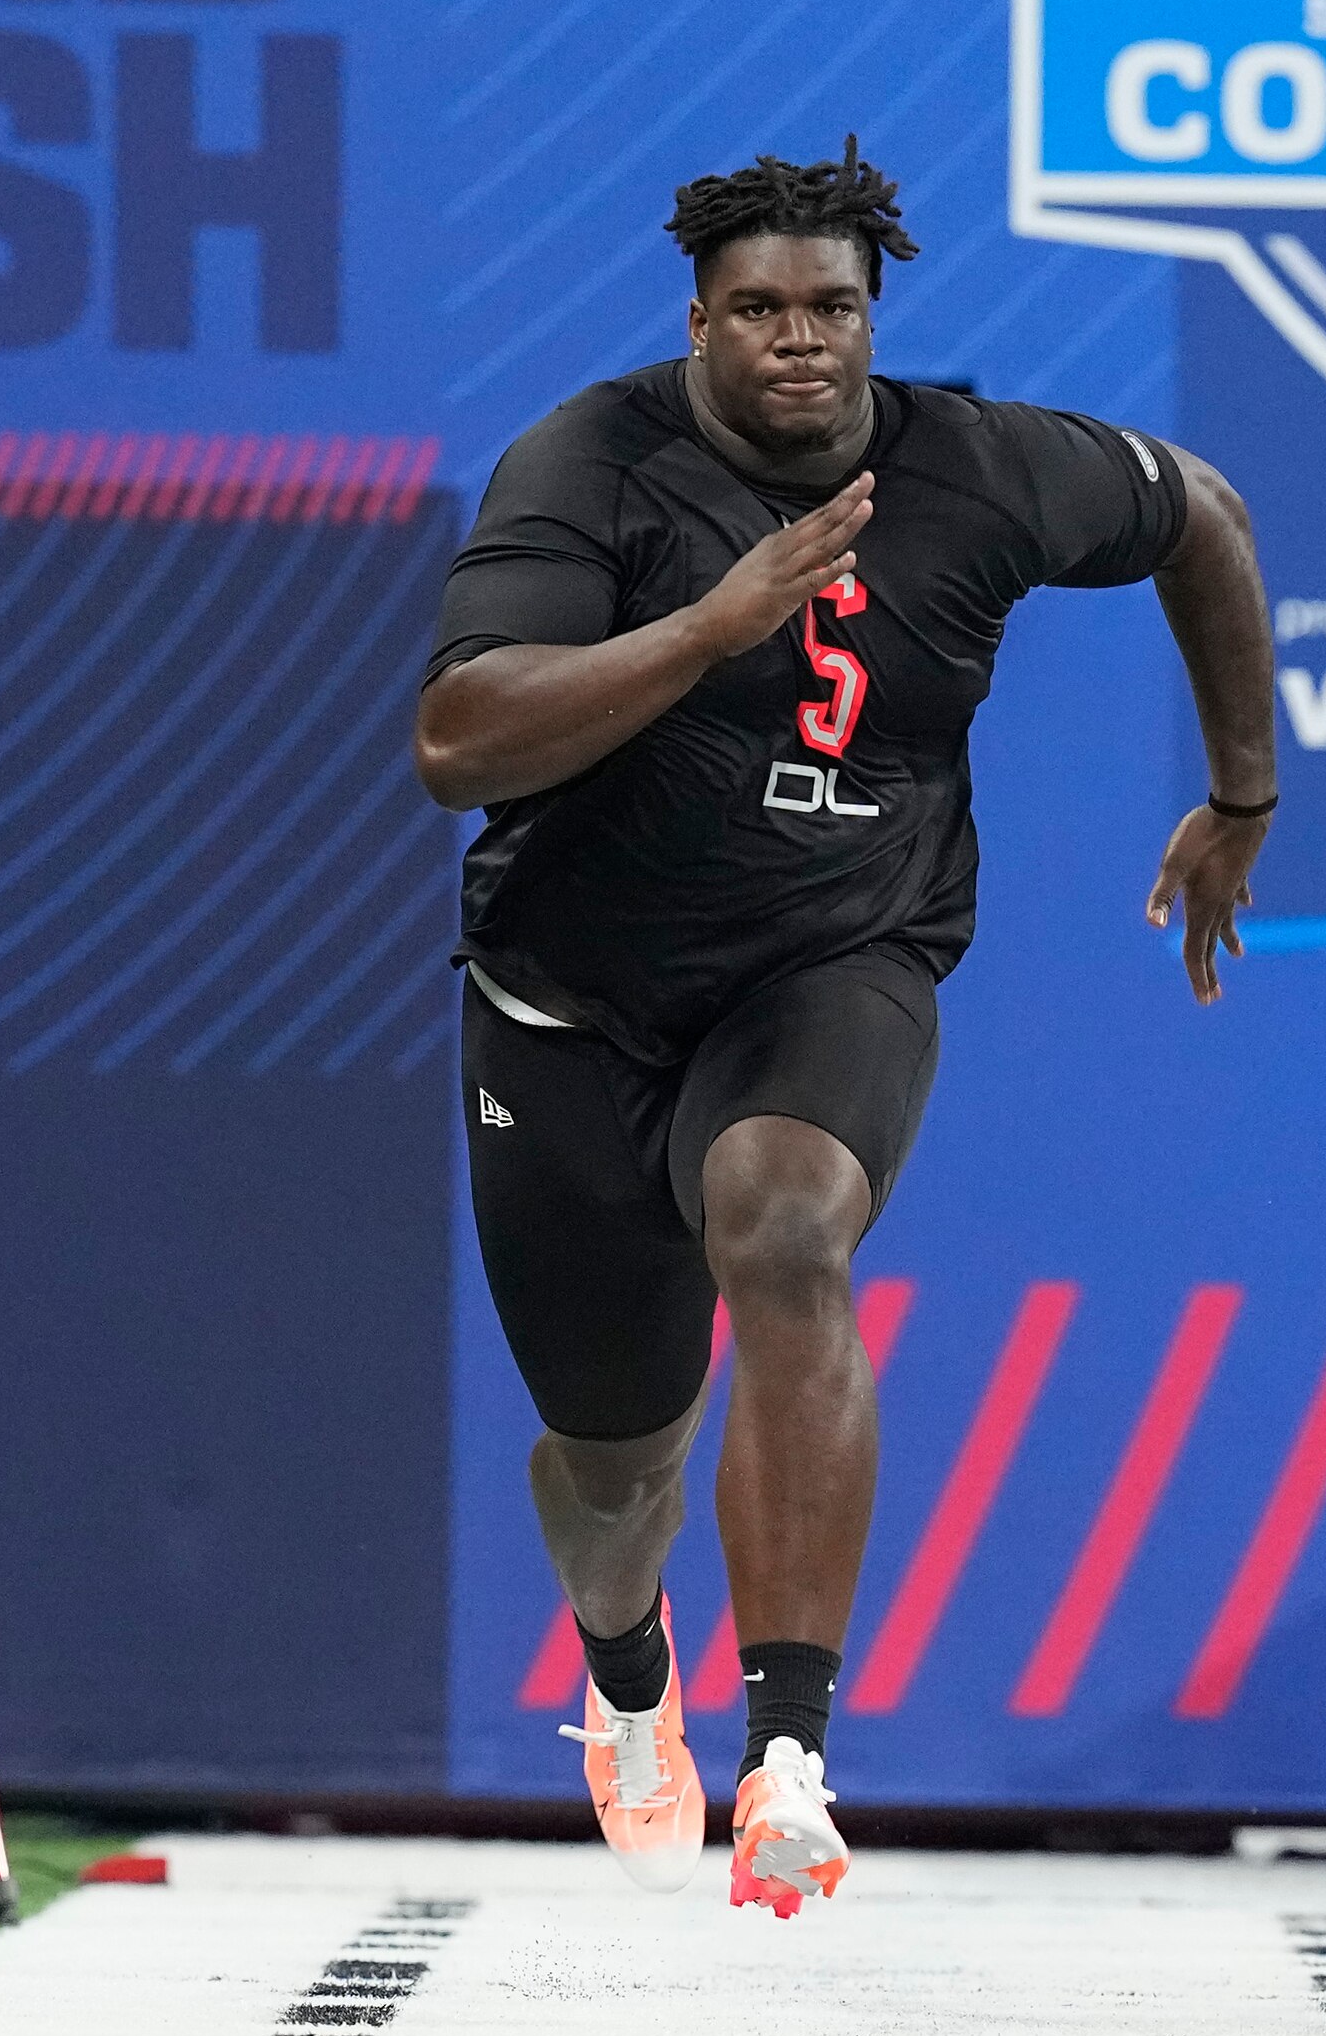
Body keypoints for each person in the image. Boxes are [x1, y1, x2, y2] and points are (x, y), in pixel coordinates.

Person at [413, 139, 1274, 1915]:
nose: (797, 339)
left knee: (787, 1223)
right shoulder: (590, 462)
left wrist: (1242, 791)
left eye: (830, 307)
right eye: (757, 311)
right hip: (571, 1003)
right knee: (611, 1474)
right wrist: (707, 626)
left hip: (833, 960)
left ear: (873, 315)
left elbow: (1205, 512)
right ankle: (627, 1672)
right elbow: (458, 741)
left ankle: (787, 1753)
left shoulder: (977, 464)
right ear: (697, 323)